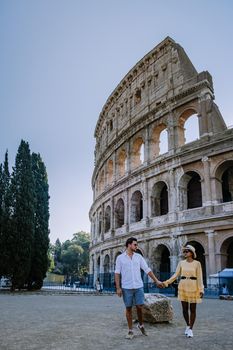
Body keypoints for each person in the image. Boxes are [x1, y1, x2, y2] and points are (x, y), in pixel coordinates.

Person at [115, 237, 163, 339]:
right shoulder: (120, 258)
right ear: (129, 245)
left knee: (139, 307)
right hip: (126, 287)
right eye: (135, 244)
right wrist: (118, 288)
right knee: (128, 308)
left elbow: (147, 269)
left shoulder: (139, 257)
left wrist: (156, 281)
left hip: (138, 286)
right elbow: (117, 273)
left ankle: (141, 325)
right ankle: (130, 330)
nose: (137, 246)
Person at [162, 244, 204, 338]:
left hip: (194, 286)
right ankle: (188, 325)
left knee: (192, 309)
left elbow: (200, 277)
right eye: (184, 251)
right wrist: (166, 283)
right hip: (183, 286)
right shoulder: (181, 263)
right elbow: (175, 275)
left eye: (187, 251)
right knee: (184, 309)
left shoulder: (197, 263)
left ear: (192, 253)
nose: (185, 253)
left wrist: (201, 289)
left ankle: (190, 329)